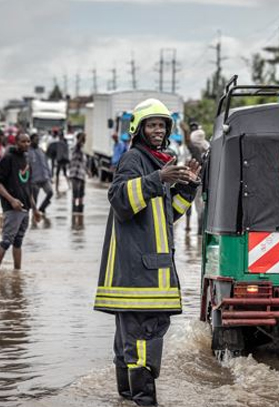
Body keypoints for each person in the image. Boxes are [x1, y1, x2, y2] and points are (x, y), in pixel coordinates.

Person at [93, 99, 200, 406]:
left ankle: (127, 399)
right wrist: (158, 179)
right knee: (142, 343)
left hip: (151, 271)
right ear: (138, 129)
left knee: (130, 343)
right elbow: (120, 200)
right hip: (138, 275)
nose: (158, 130)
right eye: (152, 125)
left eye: (162, 125)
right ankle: (143, 401)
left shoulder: (158, 161)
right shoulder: (133, 159)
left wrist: (188, 189)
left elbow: (167, 216)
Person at [0, 132, 41, 272]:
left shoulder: (26, 159)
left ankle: (17, 273)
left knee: (18, 242)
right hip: (12, 208)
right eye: (23, 141)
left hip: (25, 209)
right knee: (6, 242)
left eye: (28, 141)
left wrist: (35, 209)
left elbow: (28, 187)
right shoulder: (8, 158)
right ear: (16, 142)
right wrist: (12, 200)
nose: (26, 144)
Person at [188, 126, 210, 234]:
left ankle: (200, 229)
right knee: (204, 205)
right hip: (208, 182)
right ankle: (202, 229)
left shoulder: (196, 150)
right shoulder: (209, 148)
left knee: (198, 206)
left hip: (198, 182)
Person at [28, 131, 54, 220]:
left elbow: (46, 163)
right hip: (34, 180)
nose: (37, 141)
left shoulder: (41, 150)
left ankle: (42, 208)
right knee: (34, 199)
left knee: (50, 192)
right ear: (31, 141)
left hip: (44, 178)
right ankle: (34, 215)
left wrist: (50, 176)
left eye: (38, 140)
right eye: (35, 140)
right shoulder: (27, 152)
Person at [68, 132, 88, 228]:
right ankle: (74, 211)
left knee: (81, 194)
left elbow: (84, 163)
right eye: (83, 138)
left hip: (82, 175)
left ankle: (80, 212)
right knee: (75, 193)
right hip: (75, 175)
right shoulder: (76, 148)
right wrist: (81, 137)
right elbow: (78, 144)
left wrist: (88, 171)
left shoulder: (83, 150)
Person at [46, 129, 70, 195]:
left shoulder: (59, 143)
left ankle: (57, 188)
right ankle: (68, 185)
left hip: (60, 160)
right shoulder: (65, 143)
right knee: (63, 174)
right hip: (63, 160)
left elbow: (58, 152)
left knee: (58, 174)